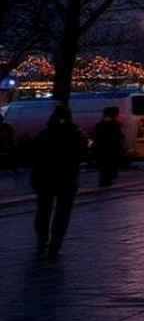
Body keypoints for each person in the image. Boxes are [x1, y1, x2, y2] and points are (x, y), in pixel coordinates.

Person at [30, 105, 89, 255]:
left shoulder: (44, 134)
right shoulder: (76, 135)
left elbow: (34, 156)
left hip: (45, 177)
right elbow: (83, 154)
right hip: (66, 178)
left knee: (43, 210)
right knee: (63, 212)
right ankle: (56, 242)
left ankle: (42, 240)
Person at [90, 105, 126, 188]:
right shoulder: (112, 123)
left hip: (102, 147)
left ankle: (104, 180)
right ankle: (106, 180)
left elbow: (94, 134)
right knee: (109, 164)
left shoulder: (101, 123)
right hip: (109, 147)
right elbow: (119, 135)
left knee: (104, 165)